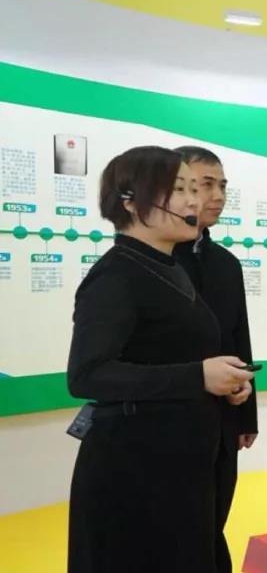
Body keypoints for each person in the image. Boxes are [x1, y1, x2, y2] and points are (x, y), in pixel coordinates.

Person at [66, 146, 254, 573]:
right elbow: (87, 375)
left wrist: (224, 381)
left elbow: (171, 353)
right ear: (131, 201)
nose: (194, 200)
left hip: (181, 467)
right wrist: (197, 377)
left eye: (194, 188)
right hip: (135, 475)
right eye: (179, 189)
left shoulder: (168, 267)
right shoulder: (116, 274)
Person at [171, 146, 258, 573]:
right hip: (169, 425)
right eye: (205, 184)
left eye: (221, 185)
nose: (217, 196)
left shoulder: (226, 263)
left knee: (213, 519)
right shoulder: (151, 261)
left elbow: (239, 337)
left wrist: (247, 413)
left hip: (223, 422)